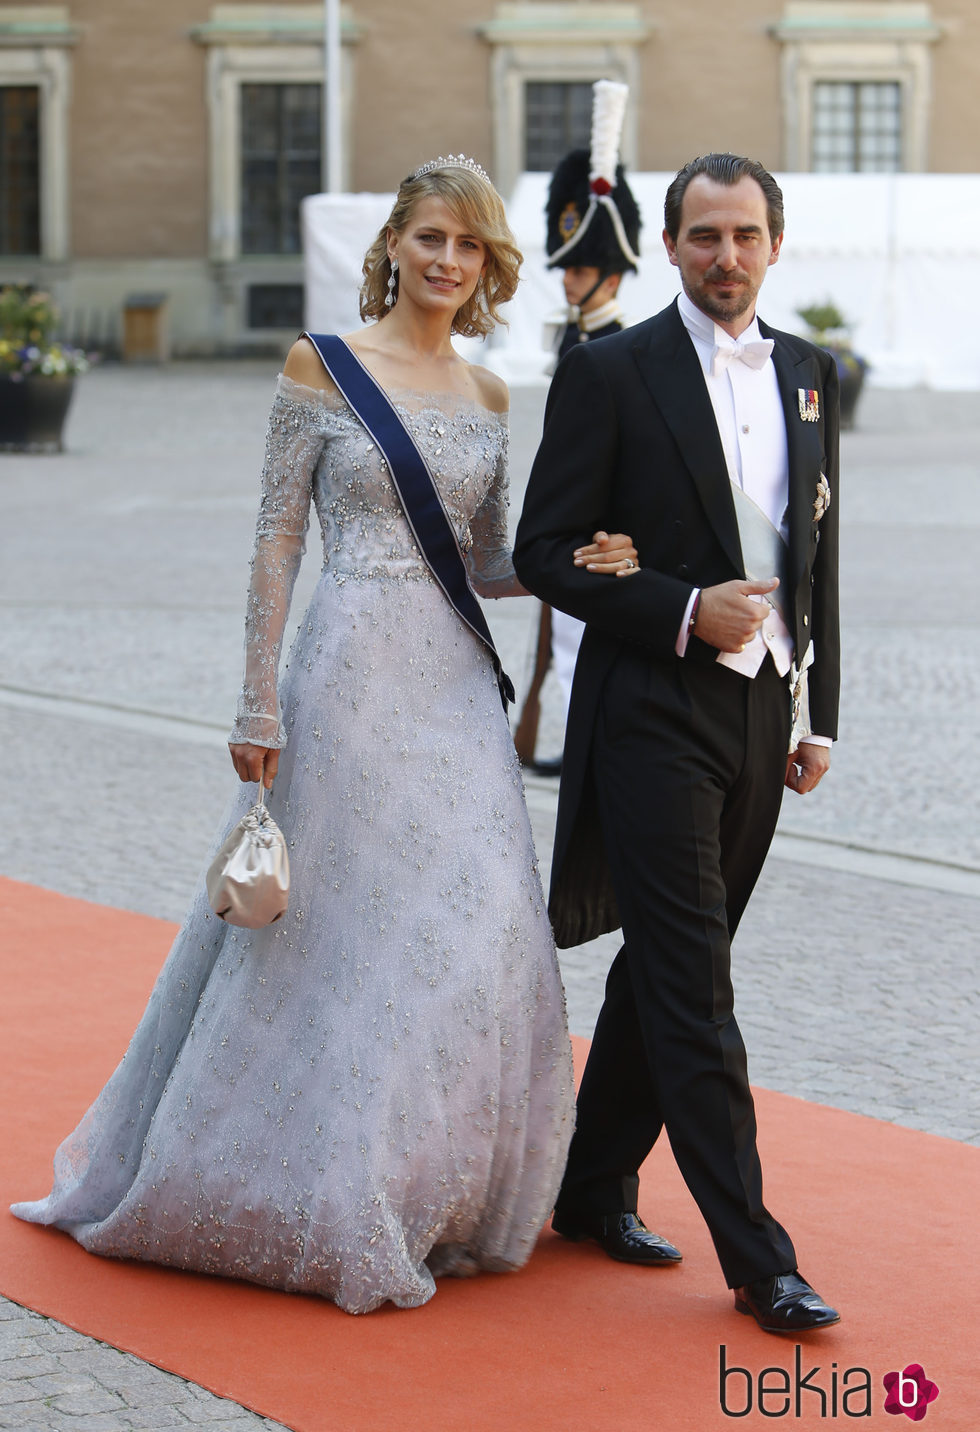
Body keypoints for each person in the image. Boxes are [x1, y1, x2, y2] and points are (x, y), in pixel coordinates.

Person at [12, 157, 639, 1315]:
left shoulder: (491, 394)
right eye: (430, 237)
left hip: (452, 691)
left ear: (488, 264)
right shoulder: (321, 366)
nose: (447, 261)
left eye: (469, 245)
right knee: (337, 932)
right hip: (343, 678)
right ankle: (317, 1183)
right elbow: (274, 539)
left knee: (474, 926)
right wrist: (255, 699)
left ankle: (430, 1184)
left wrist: (576, 566)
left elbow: (488, 557)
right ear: (394, 244)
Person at [513, 153, 842, 1335]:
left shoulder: (808, 373)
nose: (724, 255)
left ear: (772, 243)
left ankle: (589, 1186)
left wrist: (816, 711)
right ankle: (761, 1260)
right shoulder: (607, 372)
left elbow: (813, 559)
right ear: (668, 245)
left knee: (663, 974)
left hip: (762, 712)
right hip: (649, 709)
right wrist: (674, 606)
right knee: (695, 984)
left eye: (744, 234)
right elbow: (546, 550)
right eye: (702, 235)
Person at [516, 80, 642, 776]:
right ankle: (567, 738)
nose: (570, 280)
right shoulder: (576, 342)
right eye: (570, 268)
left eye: (585, 268)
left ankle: (583, 743)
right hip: (569, 520)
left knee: (581, 640)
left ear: (614, 273)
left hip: (601, 525)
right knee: (560, 643)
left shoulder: (614, 347)